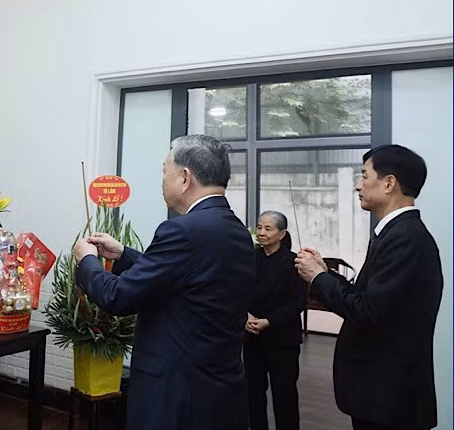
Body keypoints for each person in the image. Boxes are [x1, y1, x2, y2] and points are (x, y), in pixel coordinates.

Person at [73, 134, 254, 429]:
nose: (162, 181)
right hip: (217, 388)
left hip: (177, 394)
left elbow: (117, 297)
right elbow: (186, 278)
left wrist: (87, 261)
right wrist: (123, 254)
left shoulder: (182, 231)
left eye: (164, 171)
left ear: (184, 178)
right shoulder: (235, 230)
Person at [295, 145, 442, 430]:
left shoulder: (406, 238)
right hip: (381, 395)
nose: (357, 185)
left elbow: (368, 312)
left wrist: (317, 279)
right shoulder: (396, 233)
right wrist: (325, 274)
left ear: (389, 183)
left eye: (364, 175)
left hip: (389, 397)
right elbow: (367, 298)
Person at [245, 210, 305, 430]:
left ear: (282, 234)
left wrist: (268, 321)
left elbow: (298, 303)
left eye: (268, 228)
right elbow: (238, 291)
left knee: (284, 394)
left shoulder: (294, 262)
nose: (261, 232)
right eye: (259, 227)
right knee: (253, 393)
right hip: (251, 338)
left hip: (283, 341)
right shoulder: (250, 257)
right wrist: (245, 316)